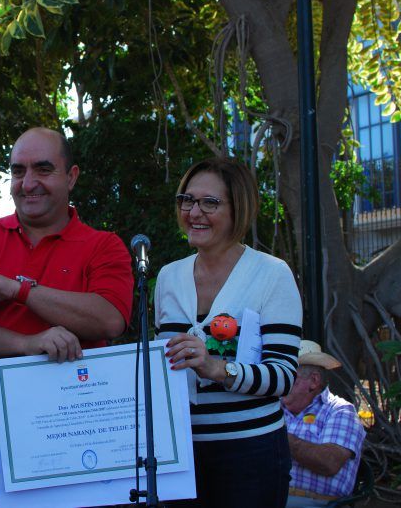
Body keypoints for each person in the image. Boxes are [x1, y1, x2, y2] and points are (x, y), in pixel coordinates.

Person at [0, 127, 134, 507]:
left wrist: (15, 289)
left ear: (71, 176)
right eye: (18, 171)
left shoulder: (103, 245)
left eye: (43, 169)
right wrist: (29, 344)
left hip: (75, 458)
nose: (28, 183)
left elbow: (110, 318)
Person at [154, 157, 302, 508]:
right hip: (181, 454)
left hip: (251, 453)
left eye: (210, 202)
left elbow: (282, 376)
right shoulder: (167, 277)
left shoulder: (271, 275)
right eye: (187, 200)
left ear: (239, 209)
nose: (194, 212)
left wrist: (216, 368)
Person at [282, 340, 366, 507]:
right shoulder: (274, 408)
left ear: (313, 381)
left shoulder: (340, 410)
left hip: (313, 502)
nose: (281, 383)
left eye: (288, 377)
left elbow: (329, 462)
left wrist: (277, 436)